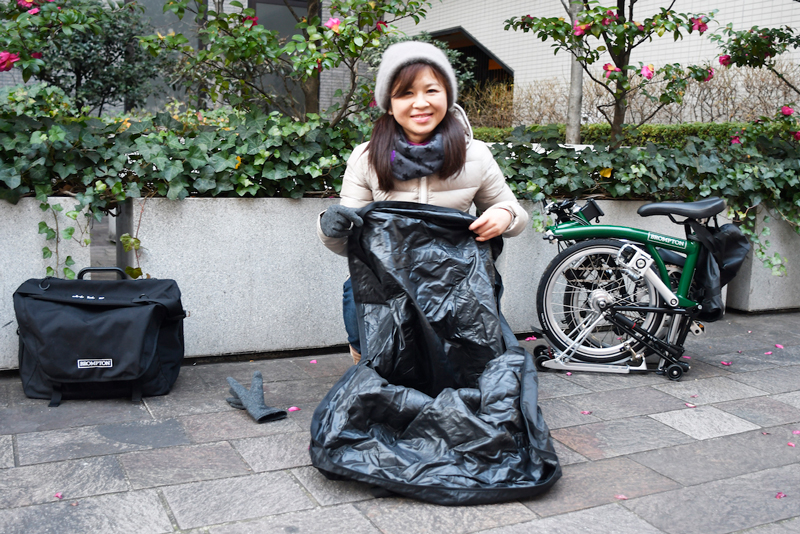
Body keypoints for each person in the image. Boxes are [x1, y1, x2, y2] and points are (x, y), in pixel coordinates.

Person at [317, 41, 529, 364]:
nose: (421, 104)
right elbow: (352, 244)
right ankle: (366, 359)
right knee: (353, 291)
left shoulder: (476, 155)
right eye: (405, 94)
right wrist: (329, 227)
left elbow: (515, 213)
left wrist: (504, 215)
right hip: (390, 277)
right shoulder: (366, 157)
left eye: (431, 90)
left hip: (454, 278)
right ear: (389, 104)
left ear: (448, 95)